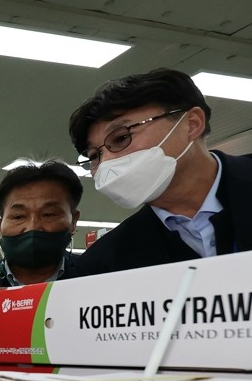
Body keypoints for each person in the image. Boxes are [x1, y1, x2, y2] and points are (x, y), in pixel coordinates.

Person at [66, 68, 252, 277]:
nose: (106, 162)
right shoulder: (105, 264)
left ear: (191, 124)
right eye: (94, 156)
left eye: (120, 138)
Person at [0, 161, 82, 381]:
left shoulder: (100, 280)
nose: (33, 226)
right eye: (18, 217)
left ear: (73, 221)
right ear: (0, 226)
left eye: (48, 214)